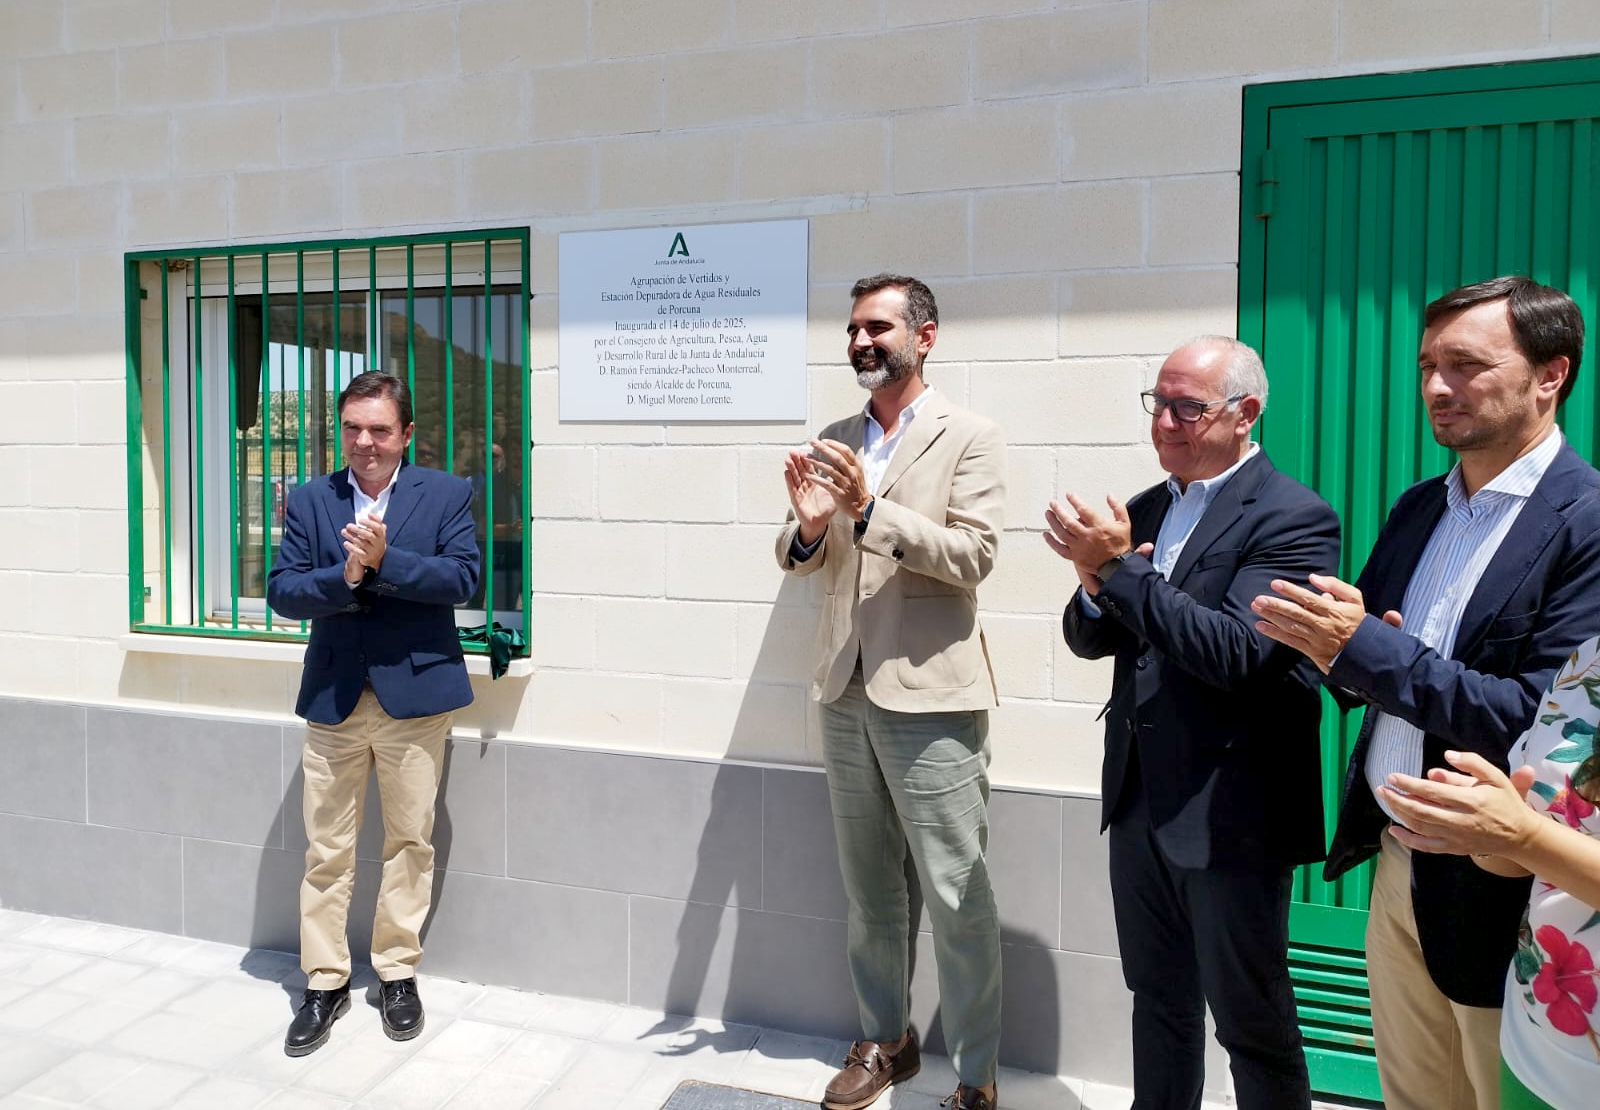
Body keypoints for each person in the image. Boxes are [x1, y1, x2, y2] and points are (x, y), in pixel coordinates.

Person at [1251, 276, 1600, 1110]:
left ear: (1550, 375)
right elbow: (1363, 656)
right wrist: (1343, 643)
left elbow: (1537, 722)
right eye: (1426, 365)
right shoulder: (1420, 507)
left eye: (1467, 365)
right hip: (1398, 861)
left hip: (1506, 888)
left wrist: (1368, 649)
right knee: (1413, 1097)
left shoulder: (1586, 521)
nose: (1437, 388)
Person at [1049, 336, 1338, 1109]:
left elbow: (1240, 653)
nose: (1166, 423)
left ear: (1245, 414)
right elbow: (1091, 638)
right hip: (1142, 801)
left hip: (1231, 813)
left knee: (1252, 1022)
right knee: (1159, 1001)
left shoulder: (1295, 517)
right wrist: (1090, 587)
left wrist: (1117, 571)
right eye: (1158, 403)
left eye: (1188, 407)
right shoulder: (1146, 508)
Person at [777, 273, 1005, 1110]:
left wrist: (870, 511)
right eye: (852, 330)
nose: (861, 342)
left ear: (924, 336)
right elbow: (802, 559)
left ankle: (977, 1077)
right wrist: (806, 528)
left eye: (877, 327)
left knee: (954, 892)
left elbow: (974, 556)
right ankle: (887, 1040)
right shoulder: (837, 436)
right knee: (869, 888)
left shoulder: (970, 435)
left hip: (933, 697)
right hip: (845, 691)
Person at [267, 371, 479, 1057]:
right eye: (352, 428)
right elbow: (284, 591)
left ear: (405, 434)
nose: (364, 442)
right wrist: (346, 579)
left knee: (409, 843)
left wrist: (386, 565)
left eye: (379, 429)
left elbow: (463, 579)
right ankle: (325, 983)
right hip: (334, 702)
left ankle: (395, 973)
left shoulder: (446, 494)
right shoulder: (311, 500)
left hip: (414, 702)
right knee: (326, 849)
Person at [1378, 635, 1600, 1110]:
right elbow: (1529, 844)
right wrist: (1485, 833)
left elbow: (1531, 838)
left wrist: (1522, 837)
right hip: (1536, 1037)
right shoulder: (1587, 658)